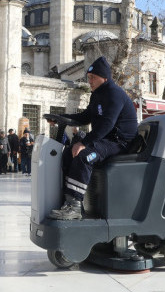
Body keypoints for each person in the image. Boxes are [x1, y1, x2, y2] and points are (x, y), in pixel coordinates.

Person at [47, 56, 138, 220]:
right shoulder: (96, 95)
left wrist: (84, 143)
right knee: (68, 154)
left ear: (104, 77)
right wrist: (60, 117)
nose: (90, 81)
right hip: (106, 140)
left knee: (84, 156)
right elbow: (84, 117)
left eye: (93, 78)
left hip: (120, 142)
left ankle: (74, 207)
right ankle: (69, 201)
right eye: (88, 78)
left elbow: (107, 124)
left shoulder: (114, 94)